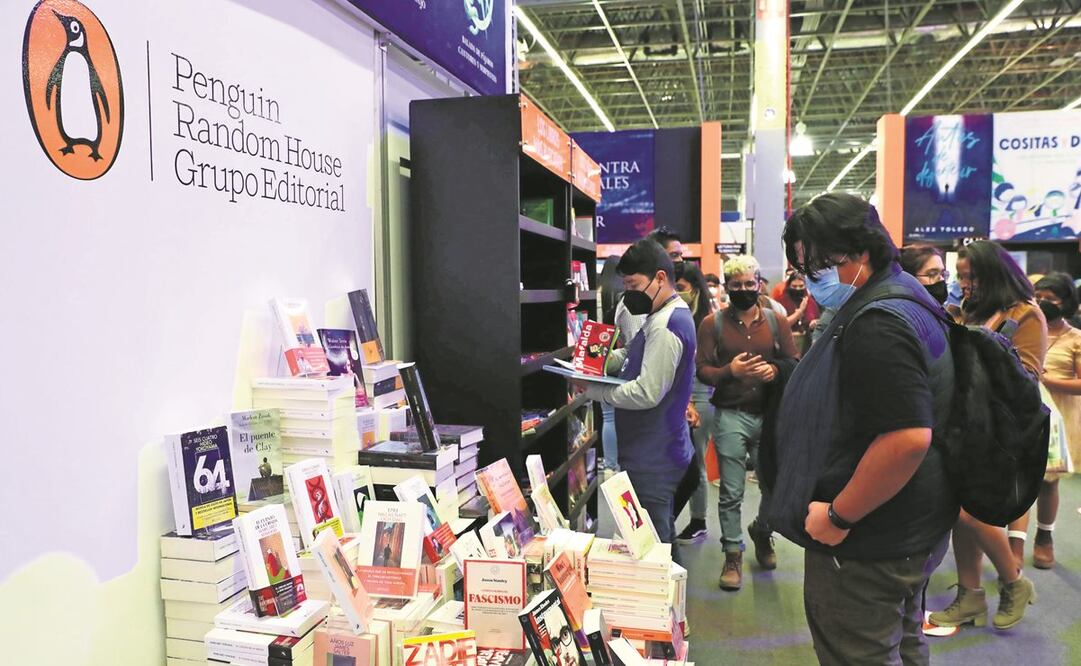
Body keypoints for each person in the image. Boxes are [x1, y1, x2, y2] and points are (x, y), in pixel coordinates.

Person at [772, 193, 958, 665]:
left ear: (862, 253)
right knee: (904, 639)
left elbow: (906, 438)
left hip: (870, 540)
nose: (811, 280)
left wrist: (837, 517)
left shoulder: (878, 323)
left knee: (860, 650)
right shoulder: (905, 295)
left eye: (818, 267)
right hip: (911, 524)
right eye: (803, 268)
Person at [929, 240, 1045, 631]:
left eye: (970, 276)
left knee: (972, 510)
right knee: (958, 511)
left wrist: (986, 347)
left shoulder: (1025, 314)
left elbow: (1028, 377)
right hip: (962, 425)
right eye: (960, 276)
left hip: (1002, 431)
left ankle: (1014, 582)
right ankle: (970, 595)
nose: (964, 284)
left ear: (993, 274)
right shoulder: (964, 310)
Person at [577, 239, 697, 560]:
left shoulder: (667, 325)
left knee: (654, 548)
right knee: (657, 535)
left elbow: (646, 392)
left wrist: (592, 390)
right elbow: (632, 355)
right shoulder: (659, 316)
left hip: (655, 455)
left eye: (634, 285)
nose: (629, 293)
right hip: (651, 449)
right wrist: (600, 362)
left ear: (660, 278)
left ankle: (667, 608)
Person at [696, 255, 799, 590]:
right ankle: (732, 552)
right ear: (727, 287)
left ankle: (762, 531)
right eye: (736, 285)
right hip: (730, 415)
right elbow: (702, 370)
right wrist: (730, 372)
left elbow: (793, 360)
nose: (743, 290)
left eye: (749, 284)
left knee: (774, 486)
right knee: (731, 491)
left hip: (770, 415)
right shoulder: (712, 324)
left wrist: (776, 370)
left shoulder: (775, 321)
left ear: (759, 285)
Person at [1031, 273, 1080, 569]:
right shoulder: (1025, 328)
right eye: (1038, 297)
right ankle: (1015, 542)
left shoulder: (1075, 338)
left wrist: (1046, 379)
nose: (1042, 303)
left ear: (1065, 303)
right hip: (1022, 414)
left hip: (1057, 420)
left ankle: (1044, 537)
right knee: (1018, 480)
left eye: (1050, 299)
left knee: (1048, 483)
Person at [673, 262, 718, 543]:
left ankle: (698, 519)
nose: (676, 293)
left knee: (696, 461)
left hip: (699, 396)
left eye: (681, 288)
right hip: (683, 396)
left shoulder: (705, 322)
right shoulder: (680, 317)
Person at [598, 255, 631, 473]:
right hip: (624, 356)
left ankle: (610, 464)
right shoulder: (625, 298)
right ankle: (626, 460)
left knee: (607, 415)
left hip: (601, 354)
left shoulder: (598, 292)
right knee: (626, 414)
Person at [775, 272, 820, 337]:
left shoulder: (810, 302)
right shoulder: (780, 301)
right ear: (789, 286)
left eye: (801, 286)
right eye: (794, 286)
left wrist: (813, 323)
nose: (798, 289)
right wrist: (800, 311)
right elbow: (779, 325)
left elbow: (815, 320)